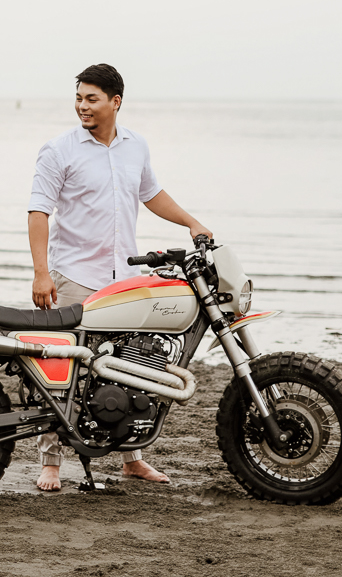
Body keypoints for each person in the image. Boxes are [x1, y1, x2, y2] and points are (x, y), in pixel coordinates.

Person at [28, 64, 211, 492]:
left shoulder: (136, 146)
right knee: (63, 370)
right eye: (78, 98)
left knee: (130, 368)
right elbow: (39, 212)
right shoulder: (58, 150)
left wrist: (191, 222)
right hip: (74, 275)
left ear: (115, 101)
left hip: (125, 282)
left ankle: (132, 458)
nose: (82, 106)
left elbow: (151, 194)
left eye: (91, 99)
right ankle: (50, 462)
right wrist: (41, 273)